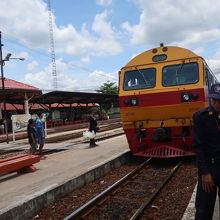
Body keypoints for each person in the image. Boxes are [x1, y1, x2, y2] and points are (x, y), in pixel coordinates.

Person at [193, 83, 220, 220]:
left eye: (219, 101)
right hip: (210, 167)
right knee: (203, 211)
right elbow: (199, 146)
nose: (216, 104)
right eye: (213, 100)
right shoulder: (200, 116)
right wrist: (204, 172)